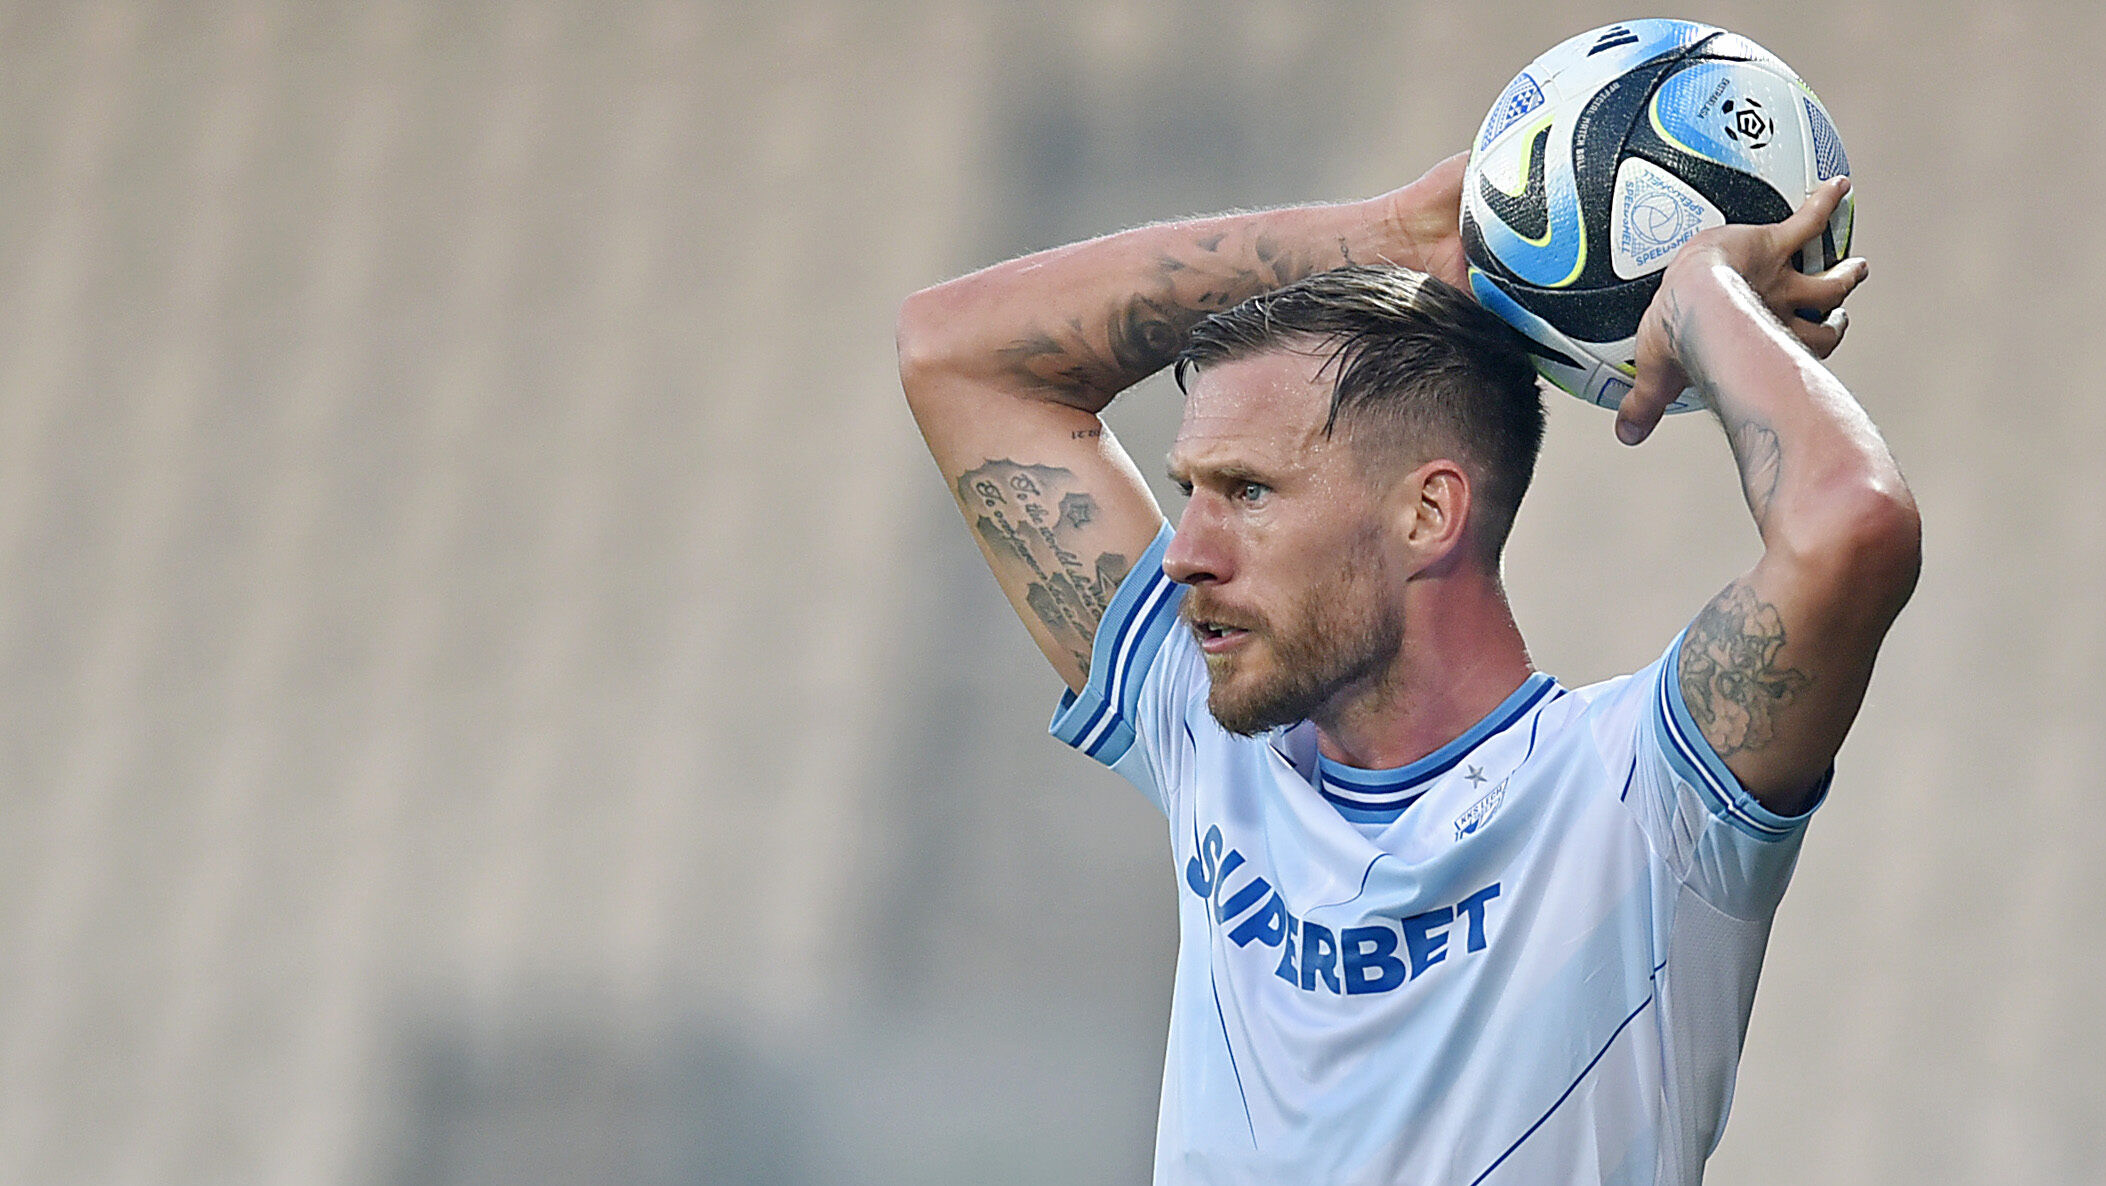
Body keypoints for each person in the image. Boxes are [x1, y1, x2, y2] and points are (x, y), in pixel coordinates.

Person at [894, 153, 1919, 1184]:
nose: (1185, 553)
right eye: (1189, 491)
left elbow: (1854, 527)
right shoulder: (1213, 732)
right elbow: (952, 352)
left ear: (1429, 513)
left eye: (1247, 492)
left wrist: (1700, 290)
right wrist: (1386, 238)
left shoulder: (1639, 798)